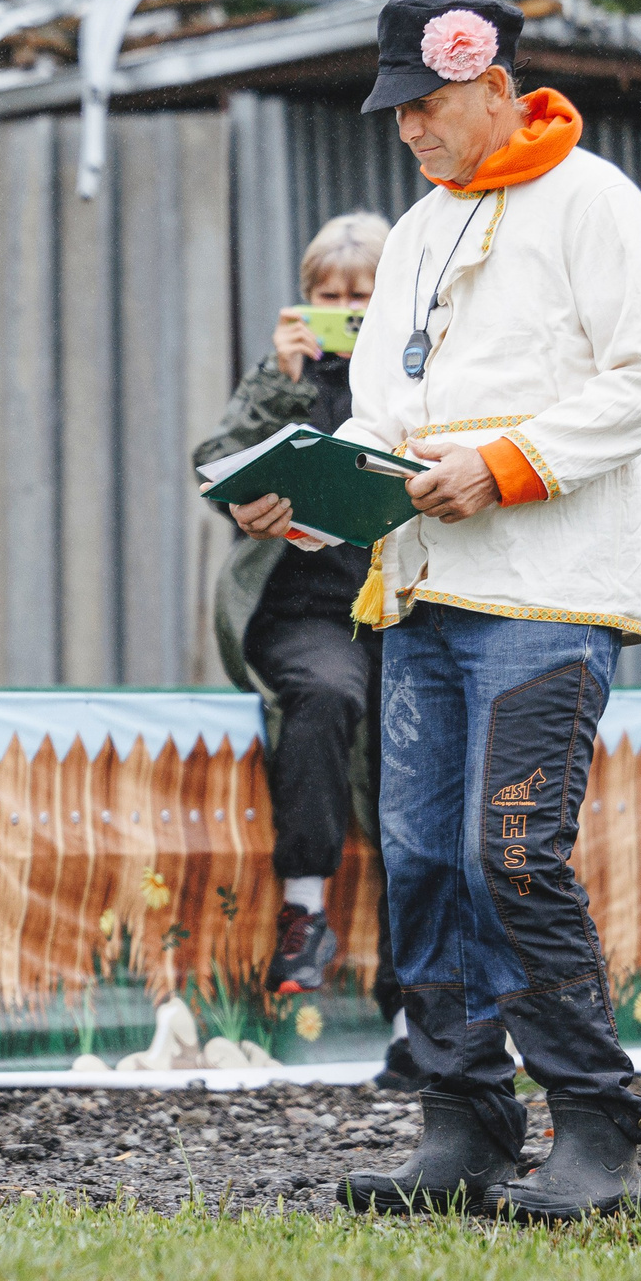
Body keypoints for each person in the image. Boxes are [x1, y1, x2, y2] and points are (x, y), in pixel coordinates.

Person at [229, 0, 641, 1221]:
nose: (407, 130)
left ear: (492, 86)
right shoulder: (420, 231)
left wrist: (504, 462)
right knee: (425, 857)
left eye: (424, 105)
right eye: (396, 111)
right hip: (419, 588)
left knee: (511, 850)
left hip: (551, 589)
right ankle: (463, 1118)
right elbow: (382, 414)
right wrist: (307, 494)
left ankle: (595, 1121)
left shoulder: (595, 201)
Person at [195, 214, 410, 1019]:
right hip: (303, 609)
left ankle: (414, 995)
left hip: (401, 605)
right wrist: (281, 383)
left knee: (411, 760)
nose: (346, 312)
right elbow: (216, 467)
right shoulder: (283, 377)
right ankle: (305, 910)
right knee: (324, 694)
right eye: (330, 298)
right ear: (304, 301)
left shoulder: (417, 372)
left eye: (362, 298)